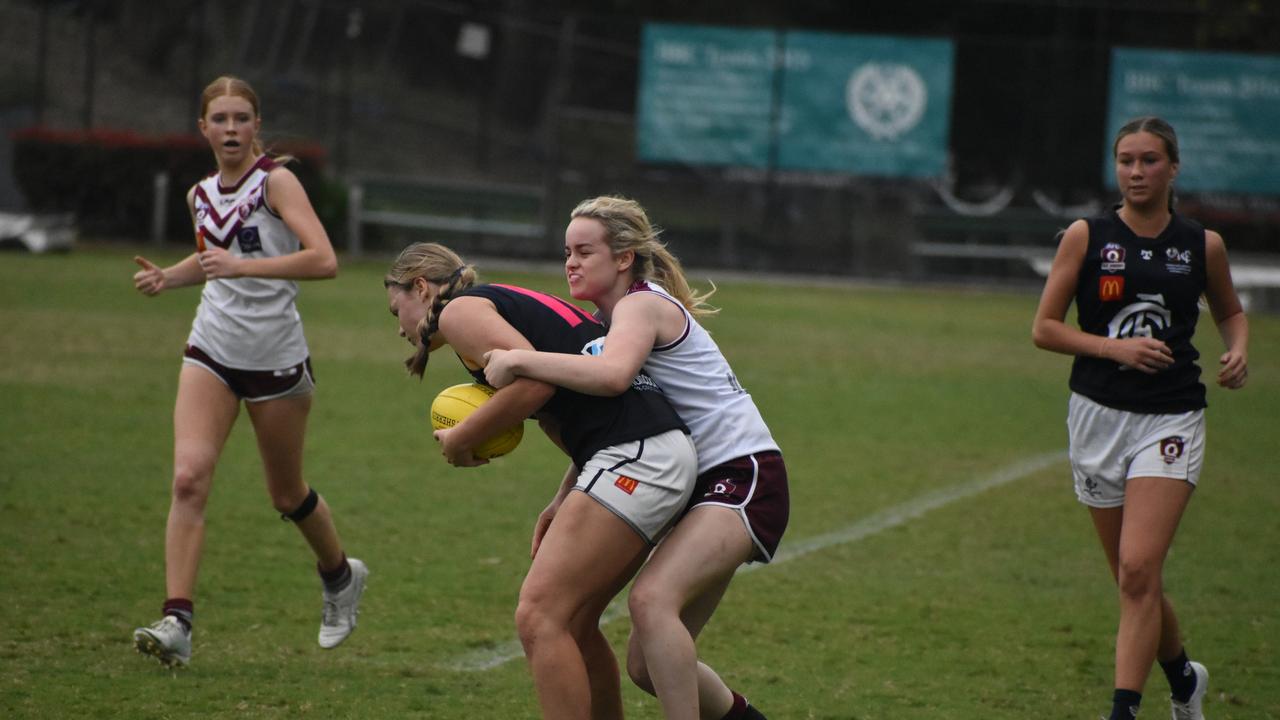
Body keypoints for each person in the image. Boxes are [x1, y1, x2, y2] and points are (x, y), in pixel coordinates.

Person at [483, 195, 787, 720]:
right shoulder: (613, 323)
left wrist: (517, 359)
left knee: (650, 601)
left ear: (623, 258)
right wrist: (562, 498)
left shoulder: (641, 306)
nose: (570, 263)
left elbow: (612, 378)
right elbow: (623, 428)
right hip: (706, 486)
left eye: (585, 251)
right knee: (648, 666)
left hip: (744, 475)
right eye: (566, 252)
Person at [383, 242, 698, 720]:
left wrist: (463, 438)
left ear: (420, 289)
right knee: (573, 623)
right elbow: (568, 400)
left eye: (396, 309)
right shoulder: (497, 303)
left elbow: (535, 382)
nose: (398, 324)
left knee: (539, 615)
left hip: (637, 456)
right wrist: (564, 495)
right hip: (649, 450)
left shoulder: (459, 314)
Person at [130, 75, 367, 667]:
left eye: (242, 118)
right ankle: (178, 620)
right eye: (220, 119)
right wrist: (171, 276)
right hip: (210, 350)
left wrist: (240, 268)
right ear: (203, 129)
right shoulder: (199, 195)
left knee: (286, 493)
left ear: (256, 125)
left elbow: (324, 260)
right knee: (188, 478)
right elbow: (216, 258)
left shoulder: (276, 182)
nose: (231, 128)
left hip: (275, 360)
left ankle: (339, 575)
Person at [1032, 116, 1248, 720]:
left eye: (1149, 160)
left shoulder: (1202, 244)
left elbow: (1230, 312)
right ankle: (1183, 677)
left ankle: (1123, 710)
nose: (1136, 172)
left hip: (1171, 418)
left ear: (1173, 167)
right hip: (1097, 418)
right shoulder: (1086, 236)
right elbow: (1044, 329)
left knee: (1138, 568)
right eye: (1126, 160)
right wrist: (1113, 348)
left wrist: (1239, 348)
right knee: (1133, 581)